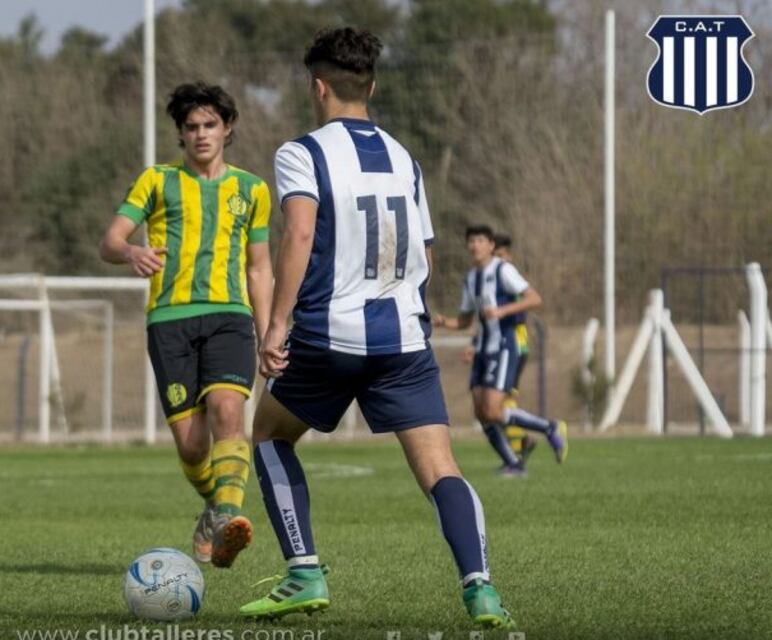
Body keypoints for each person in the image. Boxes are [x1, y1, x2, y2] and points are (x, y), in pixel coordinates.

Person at [239, 28, 515, 630]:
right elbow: (427, 257)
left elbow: (301, 235)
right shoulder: (404, 158)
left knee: (266, 435)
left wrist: (276, 325)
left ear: (317, 86)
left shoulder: (301, 153)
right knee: (442, 470)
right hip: (404, 342)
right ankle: (481, 589)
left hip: (327, 338)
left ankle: (305, 572)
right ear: (373, 85)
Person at [100, 82, 273, 568]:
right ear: (180, 133)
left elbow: (259, 267)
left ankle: (227, 522)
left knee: (227, 413)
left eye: (210, 125)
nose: (201, 134)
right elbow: (110, 240)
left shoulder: (252, 189)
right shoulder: (155, 181)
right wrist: (131, 250)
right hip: (169, 320)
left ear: (228, 128)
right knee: (193, 445)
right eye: (191, 127)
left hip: (230, 316)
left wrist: (269, 330)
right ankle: (214, 507)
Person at [436, 226, 567, 477]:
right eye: (471, 240)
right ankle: (514, 464)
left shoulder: (503, 270)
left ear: (491, 245)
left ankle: (550, 427)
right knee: (481, 412)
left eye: (480, 240)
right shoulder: (471, 278)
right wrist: (445, 323)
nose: (475, 245)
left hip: (504, 347)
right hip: (482, 349)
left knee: (494, 410)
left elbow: (534, 298)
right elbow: (464, 321)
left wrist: (502, 311)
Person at [492, 234, 536, 463]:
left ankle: (518, 449)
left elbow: (523, 308)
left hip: (516, 343)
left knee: (504, 399)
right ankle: (520, 445)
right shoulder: (496, 276)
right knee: (499, 401)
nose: (497, 260)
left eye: (500, 255)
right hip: (504, 343)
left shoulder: (509, 275)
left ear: (507, 255)